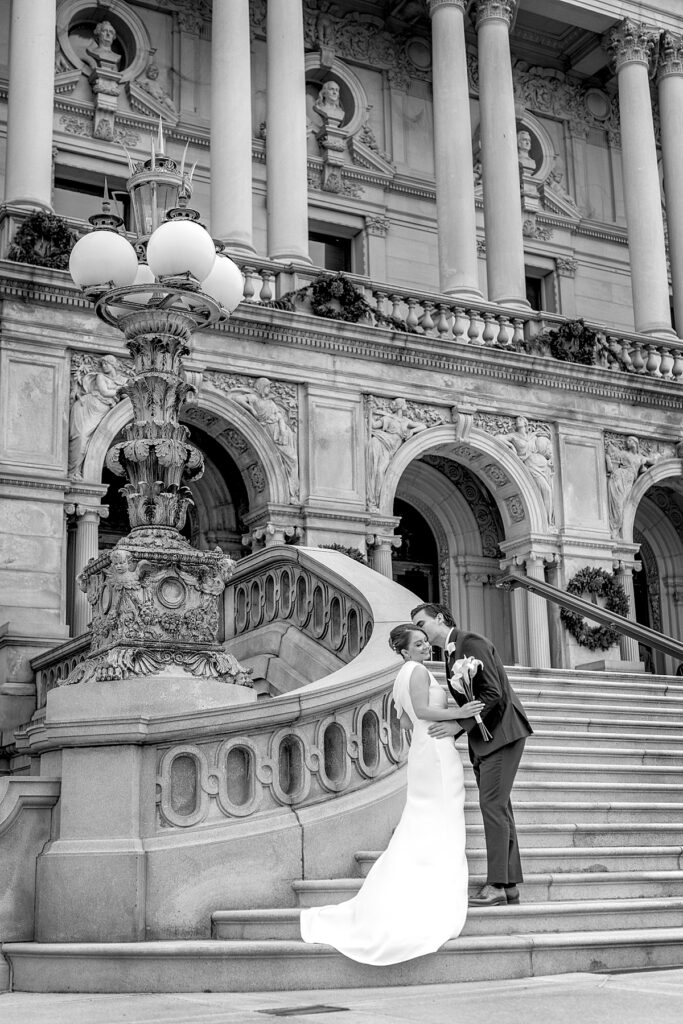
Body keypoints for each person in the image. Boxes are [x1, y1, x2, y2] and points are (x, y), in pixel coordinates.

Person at [300, 623, 483, 964]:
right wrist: (459, 713)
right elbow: (422, 712)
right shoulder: (415, 672)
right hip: (436, 754)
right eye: (418, 643)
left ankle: (418, 886)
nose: (425, 647)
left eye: (426, 642)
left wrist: (434, 721)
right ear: (403, 651)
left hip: (424, 749)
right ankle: (434, 894)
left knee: (427, 820)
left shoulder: (404, 673)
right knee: (439, 818)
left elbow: (404, 721)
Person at [410, 602, 533, 908]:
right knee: (500, 809)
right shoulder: (451, 653)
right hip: (484, 739)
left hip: (503, 734)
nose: (419, 631)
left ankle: (495, 885)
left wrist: (457, 725)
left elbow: (493, 694)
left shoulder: (470, 642)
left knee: (492, 806)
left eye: (421, 624)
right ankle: (508, 886)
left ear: (440, 618)